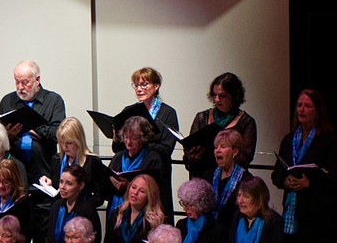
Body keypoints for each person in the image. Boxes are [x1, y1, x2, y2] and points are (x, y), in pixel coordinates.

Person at [273, 89, 337, 243]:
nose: (301, 109)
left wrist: (311, 181)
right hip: (293, 209)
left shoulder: (328, 139)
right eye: (299, 105)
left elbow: (333, 175)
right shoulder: (289, 139)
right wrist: (285, 181)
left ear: (317, 111)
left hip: (317, 211)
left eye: (307, 106)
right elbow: (277, 173)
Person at [117, 67, 178, 215]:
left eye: (144, 84)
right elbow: (118, 146)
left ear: (156, 86)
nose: (139, 89)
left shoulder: (167, 112)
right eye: (136, 85)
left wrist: (142, 143)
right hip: (132, 172)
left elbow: (166, 148)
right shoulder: (129, 110)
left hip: (156, 172)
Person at [0, 60, 67, 184]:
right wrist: (8, 135)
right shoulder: (8, 101)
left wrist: (33, 128)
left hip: (43, 169)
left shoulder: (53, 100)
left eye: (25, 82)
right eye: (17, 82)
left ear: (37, 80)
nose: (20, 87)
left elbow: (58, 133)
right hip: (13, 171)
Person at [183, 73, 258, 181]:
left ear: (234, 96)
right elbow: (188, 154)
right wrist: (192, 156)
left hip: (230, 181)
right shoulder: (202, 117)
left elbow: (245, 158)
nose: (217, 99)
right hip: (202, 178)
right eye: (214, 95)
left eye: (222, 96)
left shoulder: (246, 122)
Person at [40, 117, 111, 204]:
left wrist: (80, 203)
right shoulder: (57, 159)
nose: (64, 147)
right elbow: (56, 189)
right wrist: (49, 183)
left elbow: (99, 197)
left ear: (79, 141)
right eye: (61, 142)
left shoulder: (92, 161)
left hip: (83, 212)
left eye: (69, 143)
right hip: (61, 210)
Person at [107, 116, 162, 215]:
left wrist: (129, 186)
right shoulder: (118, 157)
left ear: (143, 138)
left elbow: (154, 190)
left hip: (141, 212)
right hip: (114, 209)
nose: (128, 142)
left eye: (133, 138)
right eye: (126, 137)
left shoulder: (153, 159)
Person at [45, 165, 101, 243]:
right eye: (61, 182)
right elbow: (50, 238)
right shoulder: (57, 206)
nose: (62, 187)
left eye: (69, 184)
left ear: (81, 186)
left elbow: (93, 242)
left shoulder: (88, 209)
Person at [207, 129, 254, 228]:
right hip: (210, 231)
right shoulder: (209, 175)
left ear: (235, 151)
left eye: (223, 147)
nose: (218, 150)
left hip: (232, 231)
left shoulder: (246, 179)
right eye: (216, 147)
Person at [176, 178, 226, 243]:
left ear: (202, 204)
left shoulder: (216, 229)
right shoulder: (181, 225)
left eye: (189, 205)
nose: (184, 208)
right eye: (183, 203)